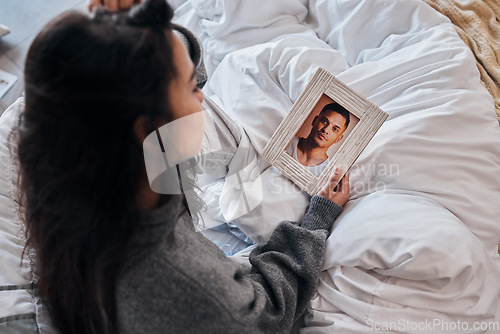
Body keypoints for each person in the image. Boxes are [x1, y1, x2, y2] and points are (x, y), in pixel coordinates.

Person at [17, 0, 350, 333]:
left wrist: (130, 33)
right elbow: (268, 312)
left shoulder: (72, 155)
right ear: (149, 128)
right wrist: (316, 220)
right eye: (192, 88)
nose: (202, 96)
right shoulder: (196, 292)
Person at [288, 103, 350, 176]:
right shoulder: (287, 142)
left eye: (335, 129)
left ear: (338, 139)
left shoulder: (329, 173)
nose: (326, 130)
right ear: (315, 121)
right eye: (324, 121)